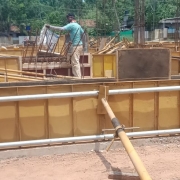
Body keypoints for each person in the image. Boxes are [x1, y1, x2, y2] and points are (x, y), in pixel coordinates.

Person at [46, 13, 84, 78]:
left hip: (76, 46)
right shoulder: (78, 25)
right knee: (74, 61)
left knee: (75, 62)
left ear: (71, 18)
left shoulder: (71, 25)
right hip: (80, 45)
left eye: (68, 18)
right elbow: (83, 33)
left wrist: (50, 27)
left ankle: (78, 78)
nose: (67, 20)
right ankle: (77, 76)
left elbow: (61, 29)